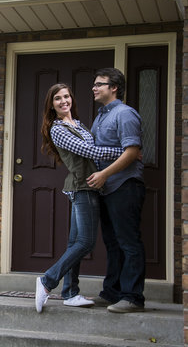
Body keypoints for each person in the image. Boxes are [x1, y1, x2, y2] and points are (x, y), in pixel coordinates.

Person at [35, 83, 124, 313]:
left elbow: (94, 148)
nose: (64, 101)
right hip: (82, 187)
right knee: (85, 242)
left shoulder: (79, 124)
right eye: (57, 98)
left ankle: (71, 293)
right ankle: (47, 280)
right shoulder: (58, 129)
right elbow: (90, 152)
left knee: (75, 242)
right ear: (51, 105)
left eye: (66, 96)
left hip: (91, 186)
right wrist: (126, 152)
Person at [86, 68, 146, 313]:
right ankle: (111, 292)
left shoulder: (125, 114)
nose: (94, 87)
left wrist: (104, 174)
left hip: (125, 185)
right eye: (94, 83)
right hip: (107, 189)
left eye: (100, 84)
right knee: (112, 243)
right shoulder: (100, 116)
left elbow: (132, 152)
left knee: (128, 242)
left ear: (114, 88)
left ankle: (133, 298)